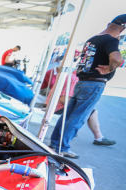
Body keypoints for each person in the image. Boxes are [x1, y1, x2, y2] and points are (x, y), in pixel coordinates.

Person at [50, 15, 125, 158]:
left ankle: (55, 144)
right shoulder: (111, 40)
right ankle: (62, 147)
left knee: (68, 116)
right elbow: (117, 58)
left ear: (109, 23)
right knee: (77, 117)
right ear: (122, 29)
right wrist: (110, 69)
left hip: (82, 81)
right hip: (94, 83)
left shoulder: (93, 39)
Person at [44, 68, 115, 147]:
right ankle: (98, 137)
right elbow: (63, 99)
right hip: (56, 107)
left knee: (89, 112)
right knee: (86, 113)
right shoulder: (74, 78)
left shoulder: (71, 76)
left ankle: (98, 137)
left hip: (53, 105)